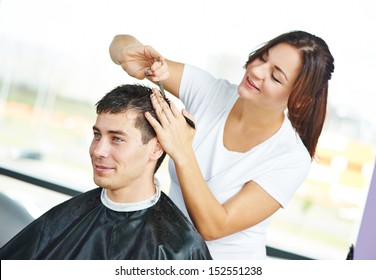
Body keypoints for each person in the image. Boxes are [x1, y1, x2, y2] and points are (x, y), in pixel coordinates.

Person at [108, 31, 335, 259]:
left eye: (276, 77)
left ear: (299, 99)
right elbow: (120, 44)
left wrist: (182, 150)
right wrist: (130, 52)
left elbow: (214, 227)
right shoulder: (209, 92)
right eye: (263, 58)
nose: (256, 71)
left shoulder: (291, 157)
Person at [0, 84, 212, 260]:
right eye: (97, 135)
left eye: (117, 139)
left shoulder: (179, 249)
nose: (98, 151)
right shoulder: (60, 221)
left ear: (156, 147)